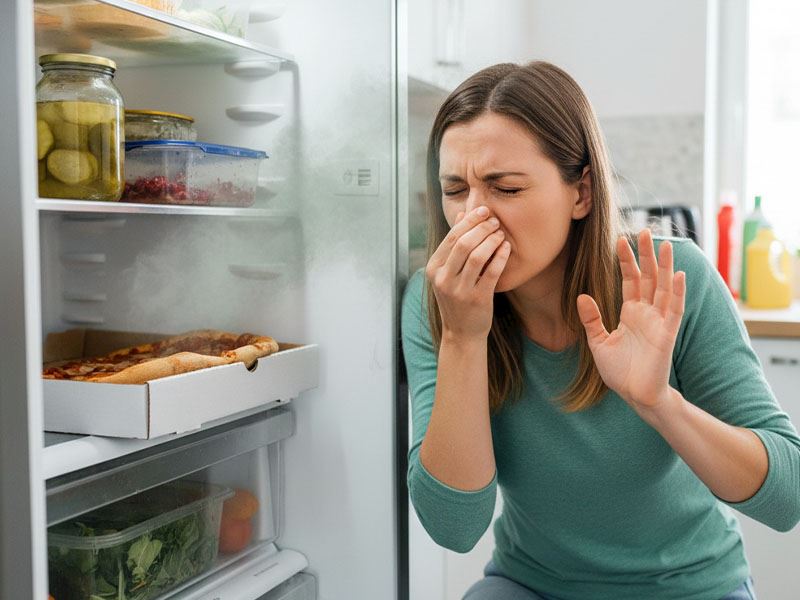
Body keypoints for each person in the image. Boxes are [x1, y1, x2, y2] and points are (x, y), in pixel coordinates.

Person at [401, 61, 800, 600]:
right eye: (455, 190)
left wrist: (659, 403)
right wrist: (463, 340)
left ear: (582, 193)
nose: (475, 217)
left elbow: (787, 498)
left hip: (689, 586)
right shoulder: (437, 302)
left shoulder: (671, 278)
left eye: (506, 188)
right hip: (532, 584)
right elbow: (454, 528)